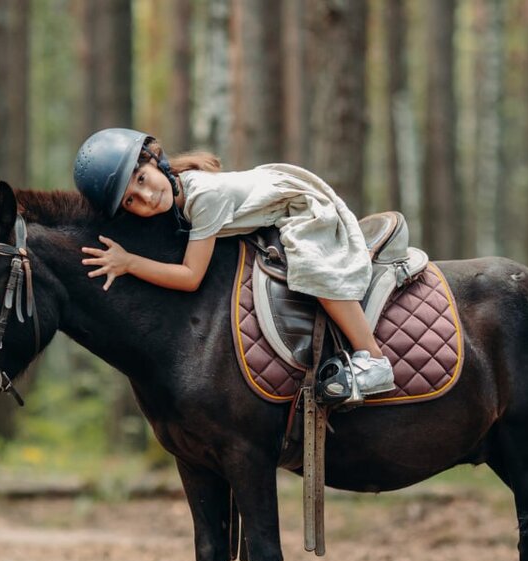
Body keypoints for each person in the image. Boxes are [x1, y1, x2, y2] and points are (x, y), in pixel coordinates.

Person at [73, 127, 395, 398]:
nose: (147, 198)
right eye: (131, 200)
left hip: (298, 205)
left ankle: (373, 358)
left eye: (141, 179)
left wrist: (129, 263)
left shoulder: (203, 197)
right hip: (268, 197)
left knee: (313, 266)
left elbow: (190, 276)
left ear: (155, 159)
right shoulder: (179, 193)